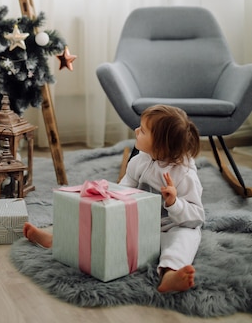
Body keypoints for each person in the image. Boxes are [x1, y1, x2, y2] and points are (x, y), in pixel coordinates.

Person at [23, 104, 205, 293]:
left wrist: (174, 202)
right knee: (99, 224)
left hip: (173, 226)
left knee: (183, 240)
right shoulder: (138, 161)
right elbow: (124, 190)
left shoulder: (184, 175)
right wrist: (109, 206)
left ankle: (170, 273)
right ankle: (58, 240)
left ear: (160, 144)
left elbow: (197, 216)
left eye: (142, 130)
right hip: (140, 222)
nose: (136, 131)